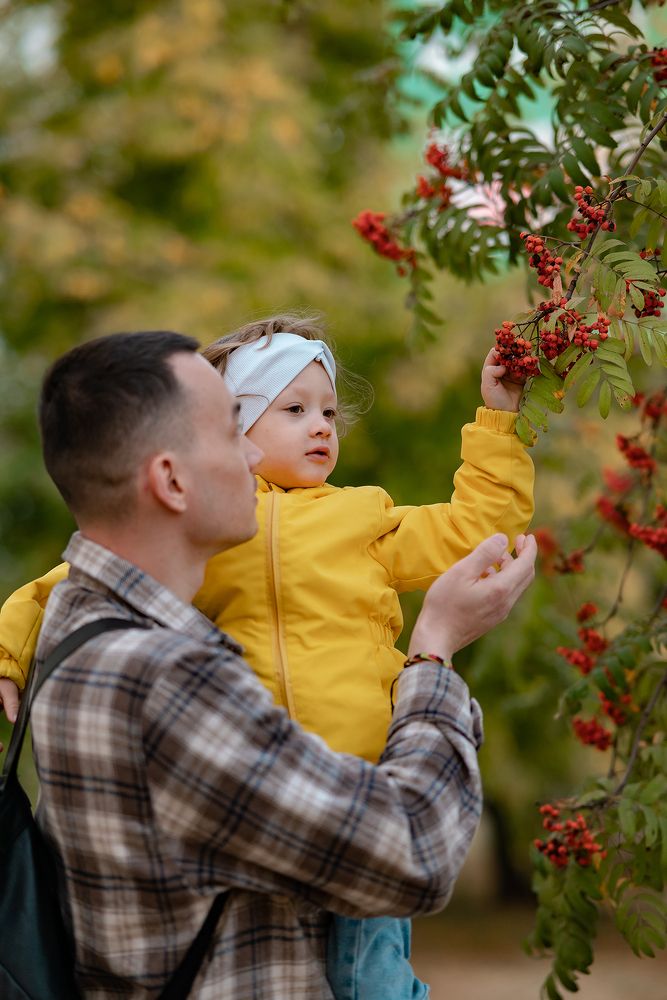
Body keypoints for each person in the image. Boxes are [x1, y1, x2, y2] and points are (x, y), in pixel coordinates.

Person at [0, 315, 535, 999]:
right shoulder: (165, 676)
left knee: (374, 970)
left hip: (343, 781)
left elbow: (472, 528)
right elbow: (414, 855)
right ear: (170, 480)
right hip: (344, 822)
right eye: (236, 429)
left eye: (327, 413)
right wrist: (432, 651)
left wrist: (496, 425)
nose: (257, 457)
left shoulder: (95, 632)